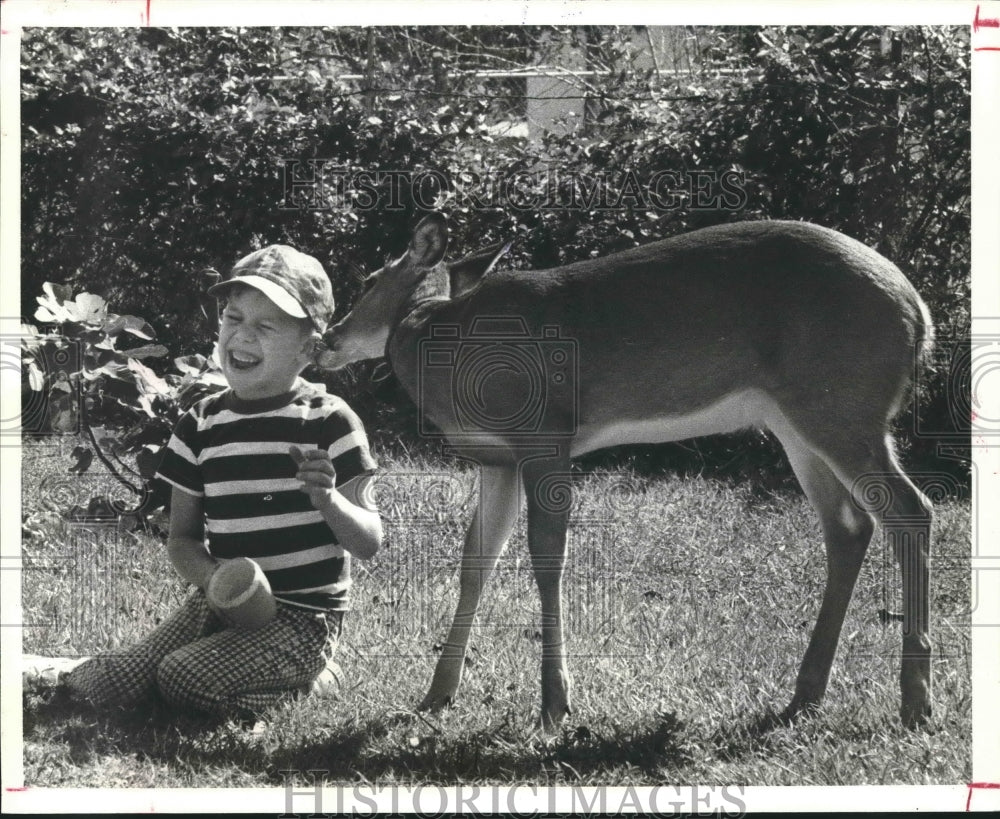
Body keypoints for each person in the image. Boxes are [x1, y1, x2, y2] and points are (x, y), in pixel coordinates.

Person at [25, 245, 382, 722]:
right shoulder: (202, 423)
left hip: (302, 618)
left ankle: (313, 679)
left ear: (308, 347)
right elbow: (182, 539)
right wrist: (216, 582)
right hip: (222, 602)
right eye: (234, 319)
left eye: (265, 326)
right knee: (103, 686)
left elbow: (369, 543)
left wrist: (328, 498)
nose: (242, 335)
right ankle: (70, 670)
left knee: (183, 678)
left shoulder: (330, 421)